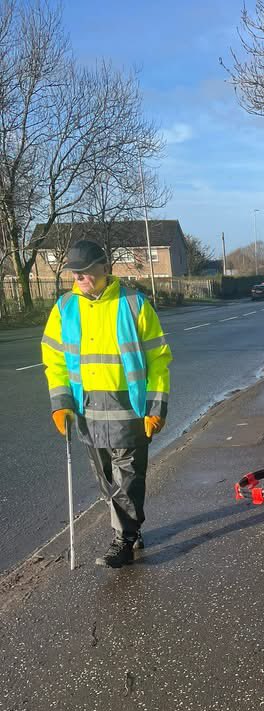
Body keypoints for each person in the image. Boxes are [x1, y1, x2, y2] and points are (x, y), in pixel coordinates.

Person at [41, 239, 173, 568]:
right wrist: (61, 404)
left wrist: (156, 409)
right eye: (77, 275)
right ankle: (131, 528)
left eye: (88, 273)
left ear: (105, 267)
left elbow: (158, 360)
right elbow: (54, 361)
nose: (83, 280)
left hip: (130, 410)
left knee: (128, 477)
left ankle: (124, 540)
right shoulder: (64, 309)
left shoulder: (134, 305)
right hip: (86, 410)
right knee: (106, 479)